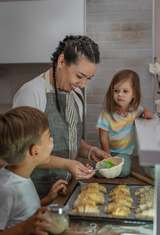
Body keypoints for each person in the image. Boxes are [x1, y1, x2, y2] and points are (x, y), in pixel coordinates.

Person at [12, 35, 111, 198]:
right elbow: (22, 152)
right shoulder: (31, 94)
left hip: (65, 190)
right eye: (79, 76)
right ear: (62, 61)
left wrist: (90, 151)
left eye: (88, 78)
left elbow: (70, 138)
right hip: (33, 194)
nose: (83, 84)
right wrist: (67, 164)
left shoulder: (76, 94)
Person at [0, 106, 70, 232]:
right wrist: (23, 228)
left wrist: (47, 200)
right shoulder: (6, 189)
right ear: (35, 152)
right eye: (49, 136)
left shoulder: (21, 175)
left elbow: (23, 214)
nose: (52, 140)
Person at [96, 69, 154, 177]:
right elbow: (103, 138)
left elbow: (144, 110)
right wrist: (108, 156)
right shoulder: (106, 114)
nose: (120, 95)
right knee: (100, 173)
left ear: (134, 95)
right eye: (116, 91)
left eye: (125, 91)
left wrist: (147, 113)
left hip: (124, 153)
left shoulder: (134, 111)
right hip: (106, 151)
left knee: (123, 172)